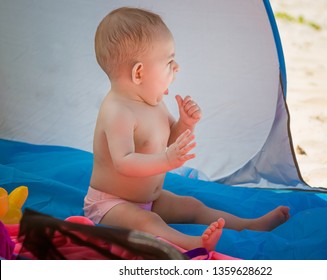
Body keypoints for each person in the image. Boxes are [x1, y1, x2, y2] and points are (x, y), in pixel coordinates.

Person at [84, 7, 290, 251]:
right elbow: (124, 162)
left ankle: (250, 224)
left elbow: (170, 139)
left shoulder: (153, 102)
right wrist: (166, 160)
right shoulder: (118, 111)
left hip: (149, 198)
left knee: (192, 206)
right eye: (170, 61)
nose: (177, 67)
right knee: (148, 222)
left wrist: (185, 124)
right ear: (139, 73)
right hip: (111, 204)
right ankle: (193, 244)